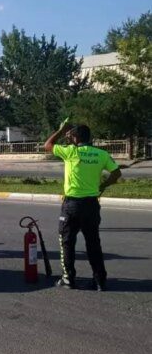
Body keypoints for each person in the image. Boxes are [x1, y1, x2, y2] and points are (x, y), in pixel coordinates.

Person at [44, 122, 121, 291]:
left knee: (66, 242)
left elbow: (48, 145)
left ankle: (68, 279)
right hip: (92, 205)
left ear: (76, 138)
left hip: (72, 204)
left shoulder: (71, 152)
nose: (69, 138)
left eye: (71, 136)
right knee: (93, 243)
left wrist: (60, 130)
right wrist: (103, 185)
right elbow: (117, 173)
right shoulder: (101, 154)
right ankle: (100, 280)